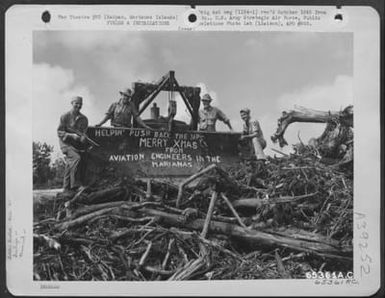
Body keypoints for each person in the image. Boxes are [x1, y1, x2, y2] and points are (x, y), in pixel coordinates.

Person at [57, 96, 89, 193]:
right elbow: (59, 132)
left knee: (70, 164)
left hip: (76, 145)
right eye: (76, 103)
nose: (78, 106)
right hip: (65, 144)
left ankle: (66, 188)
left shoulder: (84, 119)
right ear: (72, 103)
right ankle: (75, 186)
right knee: (76, 158)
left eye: (80, 104)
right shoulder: (65, 116)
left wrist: (83, 138)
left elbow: (83, 134)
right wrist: (72, 136)